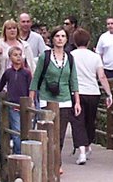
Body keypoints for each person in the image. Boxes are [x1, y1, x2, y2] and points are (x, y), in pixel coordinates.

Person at [0, 19, 36, 148]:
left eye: (14, 28)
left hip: (20, 82)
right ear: (4, 31)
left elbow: (31, 63)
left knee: (17, 110)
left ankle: (14, 140)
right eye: (9, 28)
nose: (12, 31)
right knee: (1, 110)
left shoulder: (24, 45)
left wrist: (33, 82)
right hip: (2, 80)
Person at [33, 26, 81, 160]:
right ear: (52, 39)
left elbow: (74, 80)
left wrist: (77, 101)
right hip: (46, 98)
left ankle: (56, 161)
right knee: (48, 132)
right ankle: (47, 159)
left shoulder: (70, 58)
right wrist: (32, 99)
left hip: (65, 99)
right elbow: (36, 78)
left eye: (63, 36)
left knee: (60, 134)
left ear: (66, 39)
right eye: (57, 36)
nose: (60, 39)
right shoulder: (45, 56)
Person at [69, 27, 113, 165]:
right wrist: (109, 93)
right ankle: (87, 146)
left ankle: (82, 150)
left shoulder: (70, 56)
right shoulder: (95, 57)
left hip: (76, 92)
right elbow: (101, 76)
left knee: (78, 121)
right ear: (88, 42)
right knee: (90, 120)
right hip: (93, 92)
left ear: (74, 42)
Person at [0, 46, 32, 155]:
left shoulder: (26, 73)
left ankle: (22, 152)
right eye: (15, 55)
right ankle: (18, 154)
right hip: (12, 104)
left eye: (20, 55)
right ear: (10, 57)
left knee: (26, 129)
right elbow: (1, 85)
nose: (18, 57)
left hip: (24, 105)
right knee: (16, 130)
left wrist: (32, 101)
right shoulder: (8, 72)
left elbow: (31, 88)